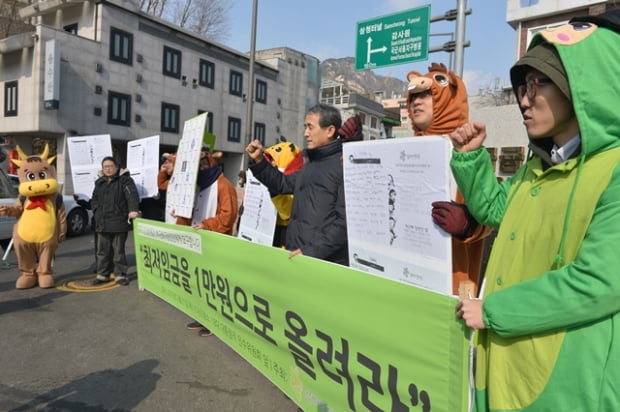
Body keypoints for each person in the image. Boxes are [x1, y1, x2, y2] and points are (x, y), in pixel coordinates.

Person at [452, 11, 620, 411]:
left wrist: (493, 310)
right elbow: (496, 211)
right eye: (522, 85)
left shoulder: (613, 168)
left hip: (569, 381)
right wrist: (471, 160)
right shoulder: (535, 166)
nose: (524, 99)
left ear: (583, 84)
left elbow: (599, 282)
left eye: (538, 83)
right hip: (506, 364)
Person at [405, 62, 491, 296]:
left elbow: (494, 213)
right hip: (405, 278)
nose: (417, 102)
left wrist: (470, 224)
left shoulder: (469, 151)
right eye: (413, 97)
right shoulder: (404, 150)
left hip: (453, 284)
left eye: (426, 95)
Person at [245, 103, 352, 265]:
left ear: (330, 130)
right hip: (297, 255)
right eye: (305, 127)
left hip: (324, 263)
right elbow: (282, 183)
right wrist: (259, 161)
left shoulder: (345, 165)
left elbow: (343, 223)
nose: (305, 134)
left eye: (310, 127)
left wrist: (310, 252)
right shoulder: (309, 164)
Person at [174, 146, 238, 337]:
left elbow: (228, 216)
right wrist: (180, 221)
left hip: (215, 244)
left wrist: (207, 225)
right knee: (200, 282)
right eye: (197, 164)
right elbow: (189, 211)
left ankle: (216, 322)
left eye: (203, 162)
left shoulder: (223, 184)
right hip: (197, 243)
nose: (201, 167)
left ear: (211, 161)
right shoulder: (195, 185)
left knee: (215, 285)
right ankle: (203, 316)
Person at [89, 156, 140, 286]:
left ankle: (120, 275)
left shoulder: (125, 180)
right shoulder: (99, 182)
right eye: (105, 167)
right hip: (102, 222)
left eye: (110, 166)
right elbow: (94, 198)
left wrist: (133, 210)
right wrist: (95, 210)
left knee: (118, 251)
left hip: (119, 220)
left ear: (117, 167)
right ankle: (102, 275)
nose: (108, 169)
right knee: (102, 251)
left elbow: (132, 196)